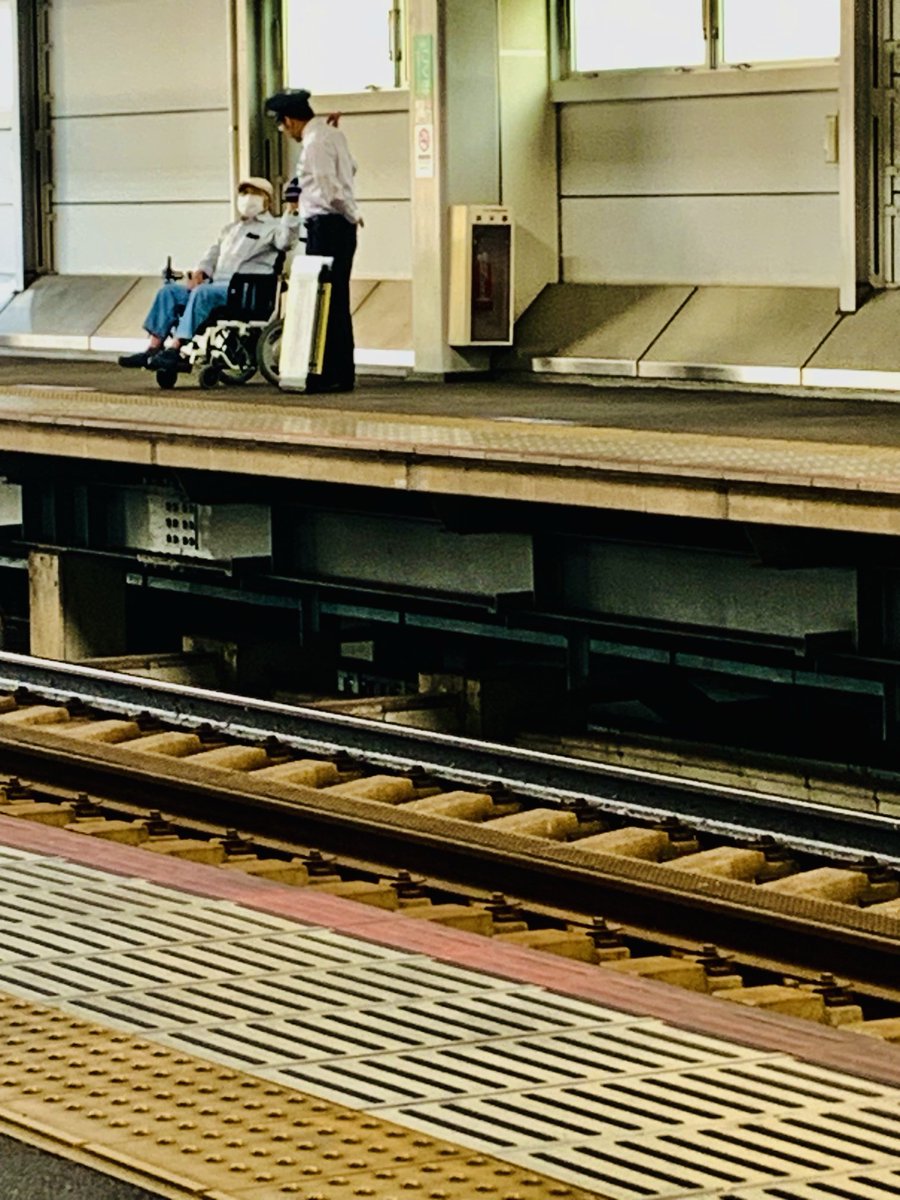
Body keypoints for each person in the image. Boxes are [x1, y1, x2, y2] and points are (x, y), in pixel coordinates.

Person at [119, 177, 300, 371]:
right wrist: (201, 272)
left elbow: (286, 242)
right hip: (216, 287)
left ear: (267, 200)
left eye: (254, 193)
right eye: (244, 193)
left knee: (202, 293)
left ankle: (176, 349)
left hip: (244, 292)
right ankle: (153, 348)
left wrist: (291, 210)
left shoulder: (273, 228)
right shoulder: (231, 229)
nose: (248, 198)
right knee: (169, 291)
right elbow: (212, 255)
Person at [266, 88, 362, 393]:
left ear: (291, 120)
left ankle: (329, 373)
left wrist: (351, 213)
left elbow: (328, 188)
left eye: (282, 125)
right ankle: (340, 371)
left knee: (327, 299)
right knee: (336, 298)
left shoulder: (315, 143)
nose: (284, 132)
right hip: (336, 227)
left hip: (329, 225)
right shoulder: (332, 136)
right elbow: (351, 169)